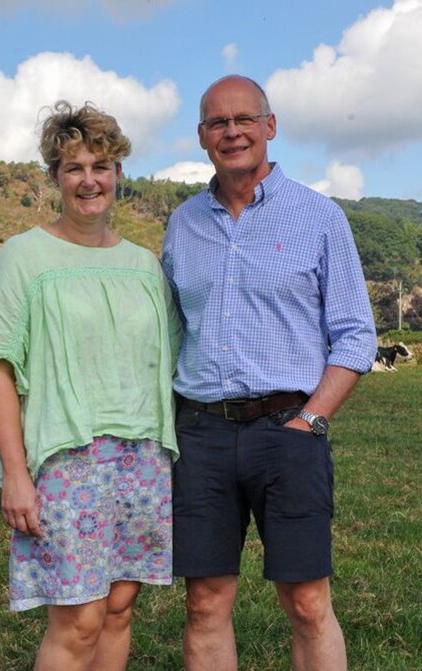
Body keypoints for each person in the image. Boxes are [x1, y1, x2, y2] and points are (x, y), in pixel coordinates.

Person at [161, 75, 377, 670]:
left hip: (289, 429)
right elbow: (171, 329)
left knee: (306, 600)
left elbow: (357, 334)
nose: (231, 132)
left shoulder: (320, 216)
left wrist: (312, 420)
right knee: (205, 602)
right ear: (202, 136)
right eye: (217, 123)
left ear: (270, 126)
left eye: (243, 120)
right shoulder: (183, 225)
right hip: (201, 434)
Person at [0, 101, 181, 671]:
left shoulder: (144, 266)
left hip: (144, 457)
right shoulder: (24, 258)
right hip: (67, 459)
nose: (90, 180)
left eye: (101, 167)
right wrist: (14, 473)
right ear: (55, 178)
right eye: (75, 167)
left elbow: (171, 360)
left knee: (119, 609)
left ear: (118, 176)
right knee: (78, 618)